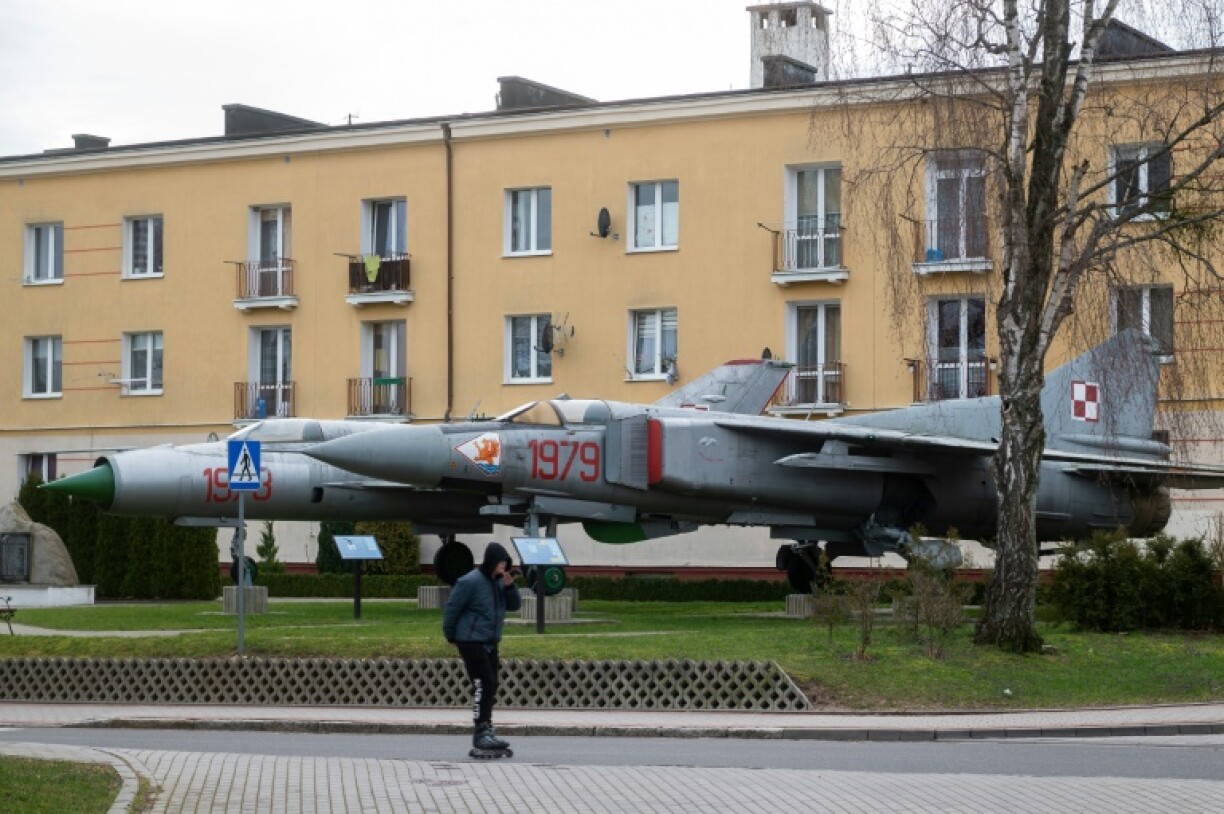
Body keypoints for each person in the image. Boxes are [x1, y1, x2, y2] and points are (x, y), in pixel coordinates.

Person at [442, 542, 522, 753]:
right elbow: (452, 608)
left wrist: (510, 586)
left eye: (506, 563)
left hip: (490, 640)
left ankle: (487, 728)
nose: (503, 567)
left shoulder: (499, 582)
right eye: (500, 563)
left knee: (492, 684)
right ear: (490, 562)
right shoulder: (470, 581)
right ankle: (480, 733)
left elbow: (515, 605)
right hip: (470, 639)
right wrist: (450, 635)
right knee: (482, 683)